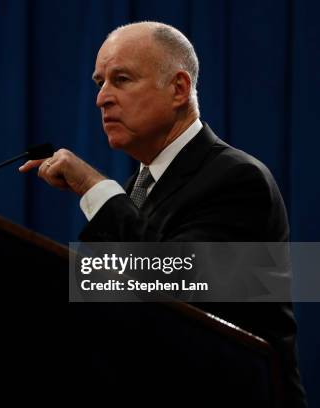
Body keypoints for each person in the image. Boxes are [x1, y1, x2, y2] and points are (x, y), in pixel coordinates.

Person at [19, 21, 307, 407]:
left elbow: (175, 285)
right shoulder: (140, 188)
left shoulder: (239, 179)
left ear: (179, 89)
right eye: (99, 82)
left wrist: (93, 187)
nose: (102, 97)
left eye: (121, 79)